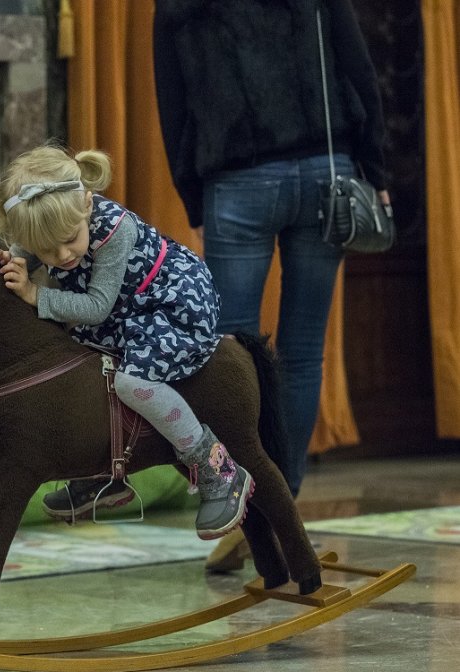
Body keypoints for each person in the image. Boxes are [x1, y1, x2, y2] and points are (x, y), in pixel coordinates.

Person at [153, 0, 390, 568]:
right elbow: (358, 70)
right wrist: (375, 169)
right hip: (326, 174)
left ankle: (247, 510)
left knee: (232, 357)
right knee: (303, 353)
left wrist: (192, 194)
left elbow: (173, 101)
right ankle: (285, 507)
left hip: (237, 179)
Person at [0, 144, 254, 540]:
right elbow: (24, 259)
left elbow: (95, 307)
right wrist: (3, 260)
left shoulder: (114, 231)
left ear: (87, 204)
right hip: (125, 312)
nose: (62, 255)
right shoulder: (50, 229)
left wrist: (36, 294)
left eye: (70, 239)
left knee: (132, 382)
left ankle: (217, 469)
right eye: (45, 249)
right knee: (79, 371)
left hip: (169, 302)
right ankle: (105, 474)